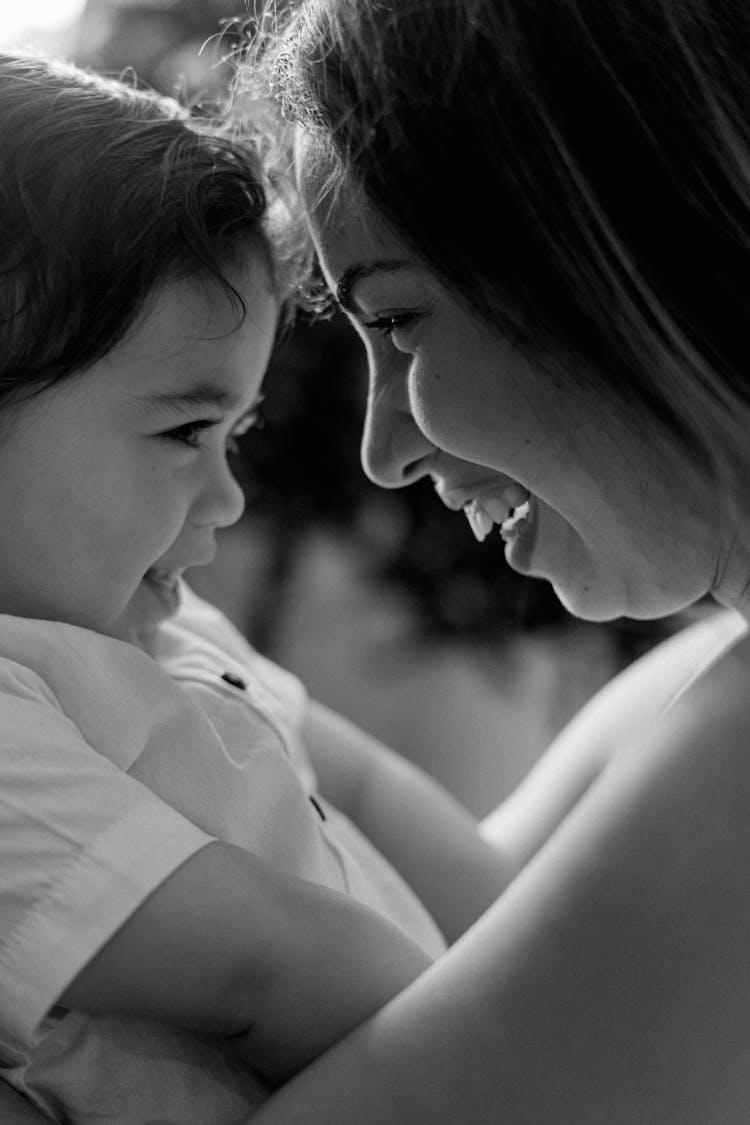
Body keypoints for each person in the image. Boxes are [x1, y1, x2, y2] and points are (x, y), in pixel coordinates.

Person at [230, 0, 750, 1120]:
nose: (383, 455)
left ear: (618, 251)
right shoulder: (688, 693)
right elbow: (486, 936)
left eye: (403, 323)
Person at [0, 51, 523, 1124]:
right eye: (184, 429)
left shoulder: (158, 625)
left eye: (237, 432)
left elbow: (364, 788)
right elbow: (264, 971)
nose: (227, 496)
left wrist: (545, 948)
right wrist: (551, 1056)